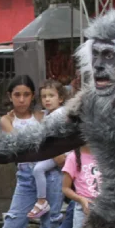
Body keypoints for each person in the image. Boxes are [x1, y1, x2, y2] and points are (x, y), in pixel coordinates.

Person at [0, 74, 56, 228]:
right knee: (13, 224)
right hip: (26, 177)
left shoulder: (41, 116)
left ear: (32, 96)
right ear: (10, 96)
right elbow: (20, 144)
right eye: (17, 95)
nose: (21, 99)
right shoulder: (6, 119)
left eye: (26, 95)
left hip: (50, 175)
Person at [29, 81, 67, 219]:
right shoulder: (49, 114)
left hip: (60, 153)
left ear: (61, 98)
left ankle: (42, 200)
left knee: (38, 169)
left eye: (51, 95)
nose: (47, 99)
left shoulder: (59, 114)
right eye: (44, 96)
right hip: (53, 152)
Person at [62, 147, 100, 228]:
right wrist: (81, 199)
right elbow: (65, 188)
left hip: (104, 207)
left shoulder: (103, 154)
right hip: (84, 207)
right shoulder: (72, 157)